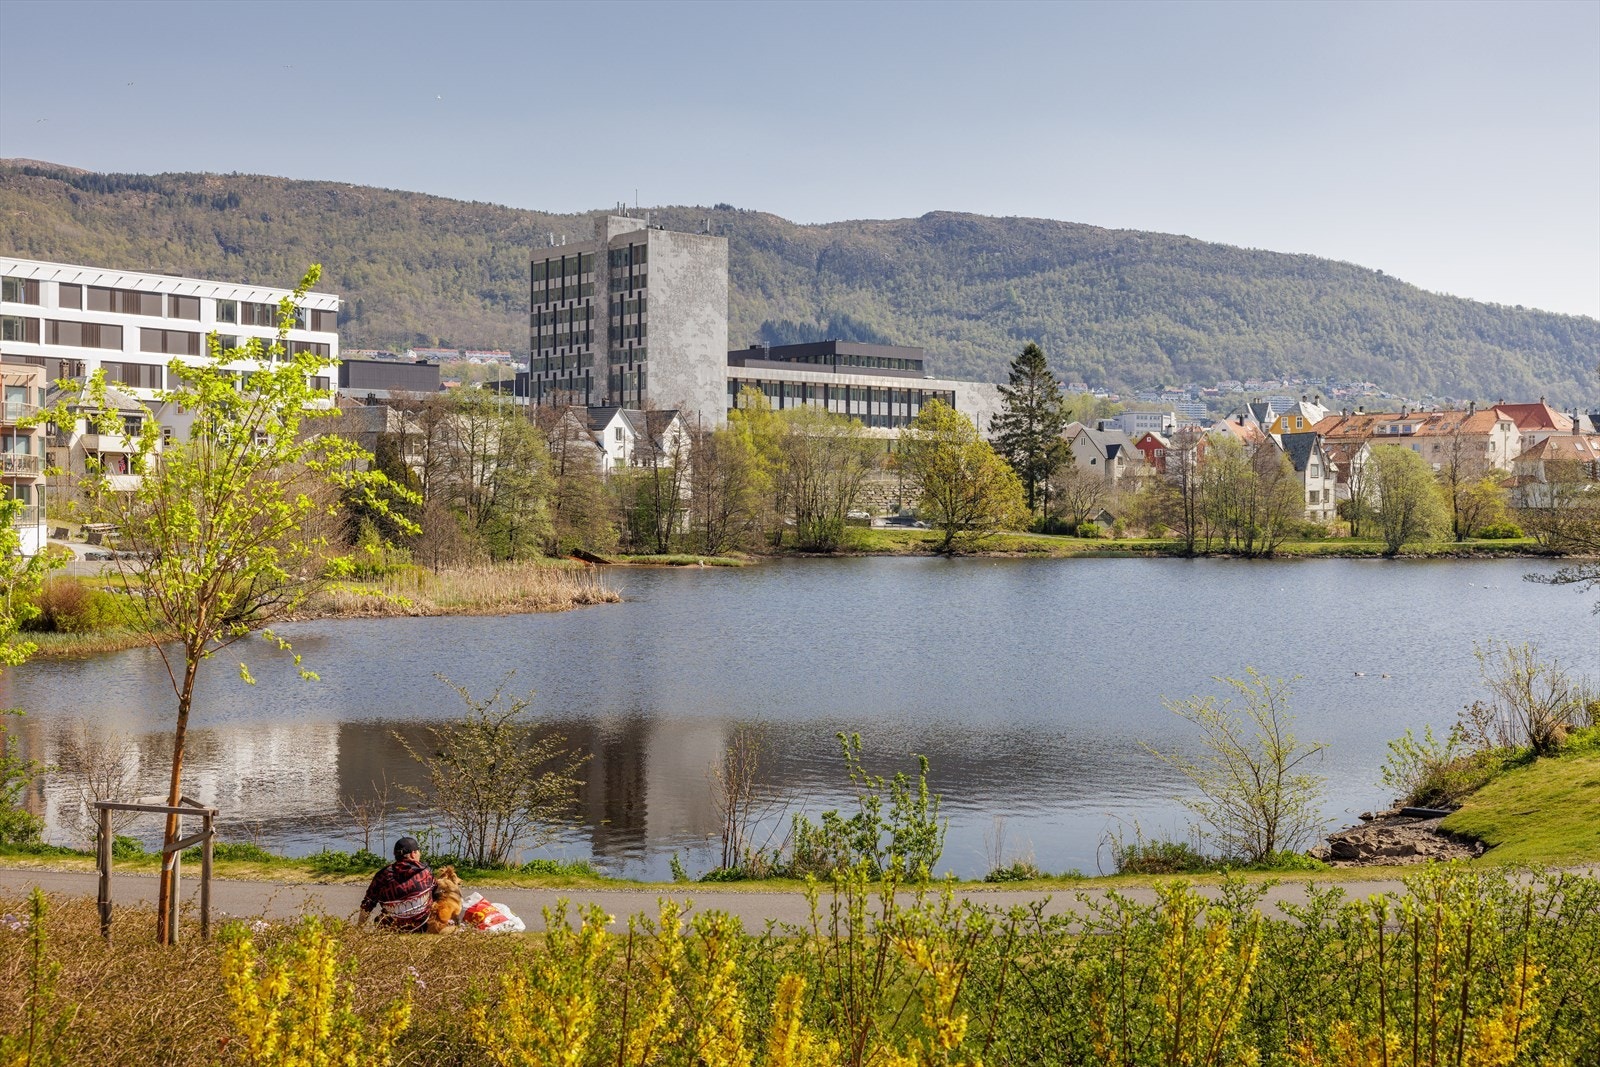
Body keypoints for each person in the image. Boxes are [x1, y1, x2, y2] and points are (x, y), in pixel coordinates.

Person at [358, 836, 436, 931]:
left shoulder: (382, 876)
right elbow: (438, 895)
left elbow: (367, 904)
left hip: (391, 929)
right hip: (422, 928)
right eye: (418, 851)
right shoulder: (425, 872)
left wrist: (359, 929)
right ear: (413, 854)